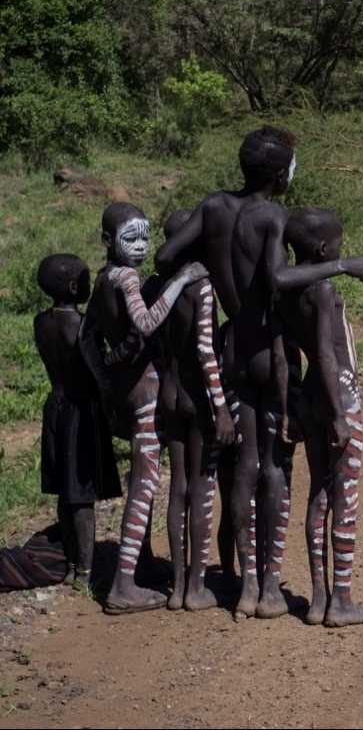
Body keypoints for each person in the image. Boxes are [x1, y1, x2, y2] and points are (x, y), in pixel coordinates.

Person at [157, 126, 363, 618]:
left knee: (245, 466)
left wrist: (202, 272)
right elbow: (278, 277)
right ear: (280, 174)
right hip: (271, 351)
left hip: (233, 350)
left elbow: (166, 256)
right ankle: (271, 589)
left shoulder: (213, 206)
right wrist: (342, 266)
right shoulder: (273, 216)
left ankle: (247, 586)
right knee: (276, 467)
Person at [80, 203, 208, 613]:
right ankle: (122, 585)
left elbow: (86, 338)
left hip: (124, 388)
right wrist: (181, 279)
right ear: (107, 240)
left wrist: (106, 377)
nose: (140, 246)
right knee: (144, 482)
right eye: (130, 239)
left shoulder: (103, 278)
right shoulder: (127, 278)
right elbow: (147, 323)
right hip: (145, 388)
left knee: (143, 477)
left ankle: (142, 560)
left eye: (145, 238)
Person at [279, 208, 363, 627]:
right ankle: (342, 599)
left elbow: (291, 353)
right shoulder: (322, 290)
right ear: (323, 249)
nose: (342, 249)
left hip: (311, 397)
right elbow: (324, 353)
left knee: (318, 494)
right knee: (345, 497)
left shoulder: (287, 290)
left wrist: (292, 403)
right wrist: (340, 414)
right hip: (339, 396)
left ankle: (318, 599)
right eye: (339, 243)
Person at [149, 210, 236, 611]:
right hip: (196, 397)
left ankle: (178, 585)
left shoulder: (158, 287)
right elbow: (205, 351)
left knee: (177, 487)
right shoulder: (200, 287)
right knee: (201, 488)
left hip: (168, 394)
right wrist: (221, 407)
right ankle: (197, 587)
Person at [33, 254, 121, 590]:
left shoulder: (41, 322)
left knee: (64, 494)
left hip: (54, 408)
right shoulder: (83, 327)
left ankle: (71, 564)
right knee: (82, 495)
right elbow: (99, 374)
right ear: (73, 287)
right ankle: (85, 571)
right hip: (81, 413)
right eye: (85, 281)